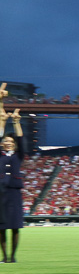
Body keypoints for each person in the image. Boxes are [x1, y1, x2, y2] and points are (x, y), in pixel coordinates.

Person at [0, 103, 25, 263]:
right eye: (6, 141)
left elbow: (22, 141)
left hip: (14, 194)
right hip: (1, 194)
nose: (8, 142)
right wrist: (2, 121)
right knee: (1, 228)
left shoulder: (18, 156)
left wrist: (16, 122)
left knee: (15, 227)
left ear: (14, 144)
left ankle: (13, 257)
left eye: (11, 141)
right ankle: (4, 257)